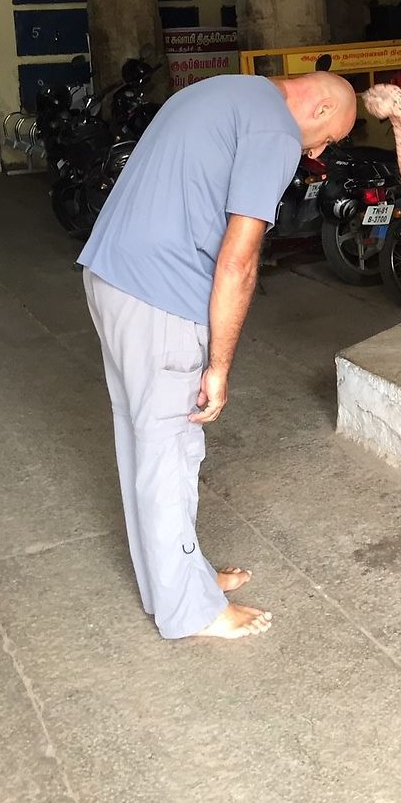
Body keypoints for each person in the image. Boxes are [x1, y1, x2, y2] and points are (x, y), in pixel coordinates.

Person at [79, 70, 357, 641]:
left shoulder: (226, 91)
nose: (320, 151)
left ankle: (179, 577)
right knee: (170, 451)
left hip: (111, 274)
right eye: (331, 137)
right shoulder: (276, 131)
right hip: (159, 294)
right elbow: (239, 260)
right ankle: (191, 610)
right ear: (321, 106)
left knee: (144, 441)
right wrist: (220, 368)